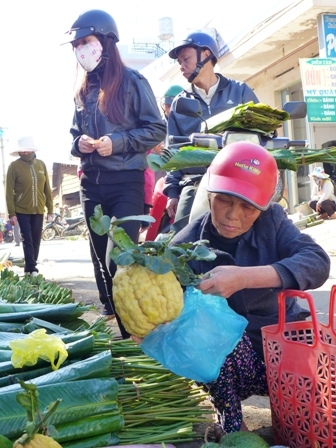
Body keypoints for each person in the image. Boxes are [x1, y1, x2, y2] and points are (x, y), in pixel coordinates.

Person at [166, 141, 330, 434]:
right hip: (231, 360)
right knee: (209, 338)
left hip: (281, 345)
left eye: (248, 207)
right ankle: (234, 430)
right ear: (210, 194)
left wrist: (244, 277)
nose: (233, 215)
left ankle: (291, 420)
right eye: (224, 201)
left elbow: (316, 262)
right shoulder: (183, 248)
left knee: (311, 415)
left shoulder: (273, 222)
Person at [64, 9, 166, 332]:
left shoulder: (133, 82)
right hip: (90, 185)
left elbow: (156, 129)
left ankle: (134, 330)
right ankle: (121, 330)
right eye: (76, 44)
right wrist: (79, 143)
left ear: (107, 42)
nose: (81, 50)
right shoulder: (82, 91)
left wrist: (118, 142)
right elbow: (72, 136)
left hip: (126, 182)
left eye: (87, 41)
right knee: (100, 262)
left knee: (119, 258)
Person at [163, 31, 259, 234]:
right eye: (178, 62)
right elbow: (172, 151)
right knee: (181, 235)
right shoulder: (180, 103)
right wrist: (173, 192)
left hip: (240, 177)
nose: (181, 66)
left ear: (206, 54)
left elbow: (262, 133)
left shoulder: (240, 92)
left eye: (186, 59)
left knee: (266, 226)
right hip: (196, 181)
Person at [5, 136, 53, 276]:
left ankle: (31, 265)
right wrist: (11, 213)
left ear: (32, 150)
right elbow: (9, 191)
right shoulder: (14, 166)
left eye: (26, 150)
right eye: (21, 151)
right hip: (21, 209)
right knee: (27, 238)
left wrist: (50, 209)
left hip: (38, 209)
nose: (24, 153)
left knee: (37, 239)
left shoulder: (41, 165)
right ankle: (31, 269)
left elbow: (47, 189)